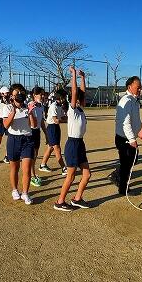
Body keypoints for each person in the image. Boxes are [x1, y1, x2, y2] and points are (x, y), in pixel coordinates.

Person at [54, 67, 91, 211]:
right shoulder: (72, 109)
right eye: (81, 98)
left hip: (80, 143)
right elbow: (75, 91)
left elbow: (82, 92)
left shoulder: (81, 110)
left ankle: (77, 199)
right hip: (72, 144)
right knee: (71, 176)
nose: (83, 99)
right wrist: (74, 75)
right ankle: (60, 201)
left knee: (87, 174)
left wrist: (83, 77)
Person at [2, 83, 36, 205]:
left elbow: (33, 125)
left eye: (21, 94)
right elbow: (6, 125)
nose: (19, 96)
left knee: (26, 169)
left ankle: (25, 193)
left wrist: (31, 113)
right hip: (13, 140)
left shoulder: (28, 108)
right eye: (16, 94)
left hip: (27, 140)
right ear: (12, 96)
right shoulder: (7, 108)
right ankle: (15, 189)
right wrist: (14, 111)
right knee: (14, 168)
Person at [115, 76, 142, 195]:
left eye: (140, 87)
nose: (140, 90)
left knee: (133, 160)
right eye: (138, 87)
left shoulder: (134, 100)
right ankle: (123, 189)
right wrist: (132, 139)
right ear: (129, 87)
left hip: (129, 137)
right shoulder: (126, 100)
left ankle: (116, 175)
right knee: (127, 165)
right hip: (124, 138)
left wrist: (140, 131)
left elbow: (135, 119)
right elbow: (125, 122)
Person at [39, 90, 67, 175]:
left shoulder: (60, 106)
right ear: (60, 97)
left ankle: (42, 165)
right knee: (57, 148)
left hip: (56, 128)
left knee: (51, 148)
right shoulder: (53, 106)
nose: (65, 99)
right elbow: (56, 120)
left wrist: (66, 119)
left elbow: (63, 117)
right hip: (52, 128)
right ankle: (64, 168)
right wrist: (64, 120)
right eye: (64, 97)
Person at [27, 87, 48, 187]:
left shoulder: (41, 106)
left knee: (34, 155)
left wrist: (46, 134)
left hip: (37, 132)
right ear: (35, 96)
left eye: (43, 94)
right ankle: (32, 175)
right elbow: (33, 123)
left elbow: (42, 122)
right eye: (41, 94)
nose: (43, 96)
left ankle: (31, 174)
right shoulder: (32, 105)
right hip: (30, 132)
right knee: (31, 156)